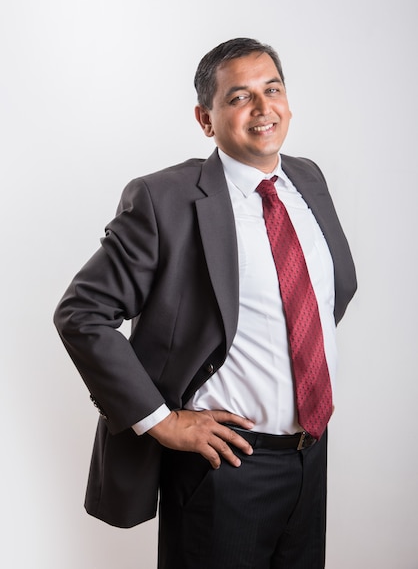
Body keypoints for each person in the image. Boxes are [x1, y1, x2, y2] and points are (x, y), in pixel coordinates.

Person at [54, 37, 357, 569]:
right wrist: (163, 421)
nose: (264, 109)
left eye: (273, 89)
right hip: (226, 470)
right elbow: (82, 313)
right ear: (206, 118)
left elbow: (321, 298)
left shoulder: (307, 178)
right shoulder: (164, 200)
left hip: (311, 456)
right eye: (240, 97)